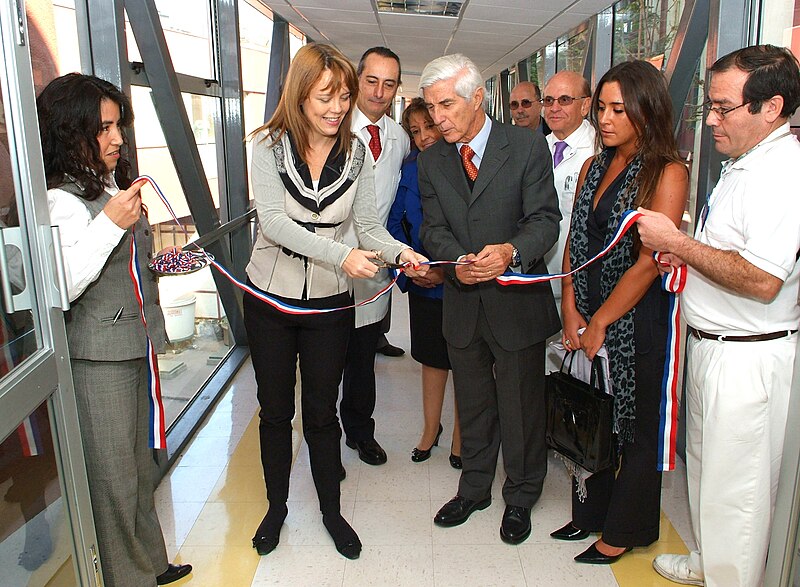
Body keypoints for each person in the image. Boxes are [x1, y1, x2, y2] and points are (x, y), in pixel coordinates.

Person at [244, 43, 427, 561]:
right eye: (326, 97)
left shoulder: (357, 153)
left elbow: (368, 227)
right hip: (271, 303)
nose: (337, 108)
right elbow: (275, 224)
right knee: (276, 412)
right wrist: (343, 254)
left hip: (328, 306)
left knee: (322, 414)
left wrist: (402, 253)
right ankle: (276, 508)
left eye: (344, 97)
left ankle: (330, 511)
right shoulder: (267, 146)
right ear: (300, 95)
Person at [636, 45, 800, 587]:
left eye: (723, 108)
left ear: (770, 107)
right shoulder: (746, 165)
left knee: (740, 492)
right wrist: (682, 249)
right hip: (712, 345)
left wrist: (677, 242)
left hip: (747, 357)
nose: (711, 119)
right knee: (708, 475)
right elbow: (726, 252)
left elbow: (761, 279)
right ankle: (710, 562)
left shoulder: (784, 174)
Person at [37, 73, 191, 586]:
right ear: (71, 132)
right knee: (113, 482)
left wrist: (162, 263)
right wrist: (110, 223)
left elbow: (118, 266)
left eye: (117, 125)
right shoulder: (60, 200)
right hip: (97, 360)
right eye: (104, 128)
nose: (117, 138)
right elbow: (61, 286)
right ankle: (131, 579)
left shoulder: (105, 186)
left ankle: (152, 563)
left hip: (130, 348)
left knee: (139, 470)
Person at [418, 54, 561, 546]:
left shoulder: (524, 147)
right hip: (462, 299)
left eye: (447, 105)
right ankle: (474, 488)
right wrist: (458, 259)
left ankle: (520, 495)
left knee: (521, 405)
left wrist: (509, 252)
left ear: (477, 98)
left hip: (516, 302)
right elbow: (432, 228)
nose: (438, 118)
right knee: (473, 402)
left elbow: (544, 220)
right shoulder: (432, 159)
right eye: (431, 107)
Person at [551, 60, 688, 565]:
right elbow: (575, 242)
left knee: (633, 425)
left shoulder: (667, 172)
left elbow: (649, 263)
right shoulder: (592, 164)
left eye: (617, 110)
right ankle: (590, 514)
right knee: (592, 416)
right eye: (601, 108)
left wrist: (602, 322)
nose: (604, 120)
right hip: (586, 312)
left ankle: (626, 529)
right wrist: (571, 309)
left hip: (634, 321)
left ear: (646, 112)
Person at [340, 46, 411, 467]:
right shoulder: (332, 126)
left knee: (362, 359)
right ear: (357, 78)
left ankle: (360, 433)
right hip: (329, 264)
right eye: (372, 81)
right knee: (324, 360)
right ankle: (322, 439)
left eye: (389, 84)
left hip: (373, 269)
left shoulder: (399, 139)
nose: (379, 92)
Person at [387, 97, 462, 468]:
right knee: (432, 360)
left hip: (463, 282)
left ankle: (463, 440)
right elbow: (393, 221)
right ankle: (431, 430)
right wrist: (407, 265)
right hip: (421, 278)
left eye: (429, 127)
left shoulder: (465, 163)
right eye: (415, 131)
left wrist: (445, 270)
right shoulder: (410, 168)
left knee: (466, 362)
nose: (423, 137)